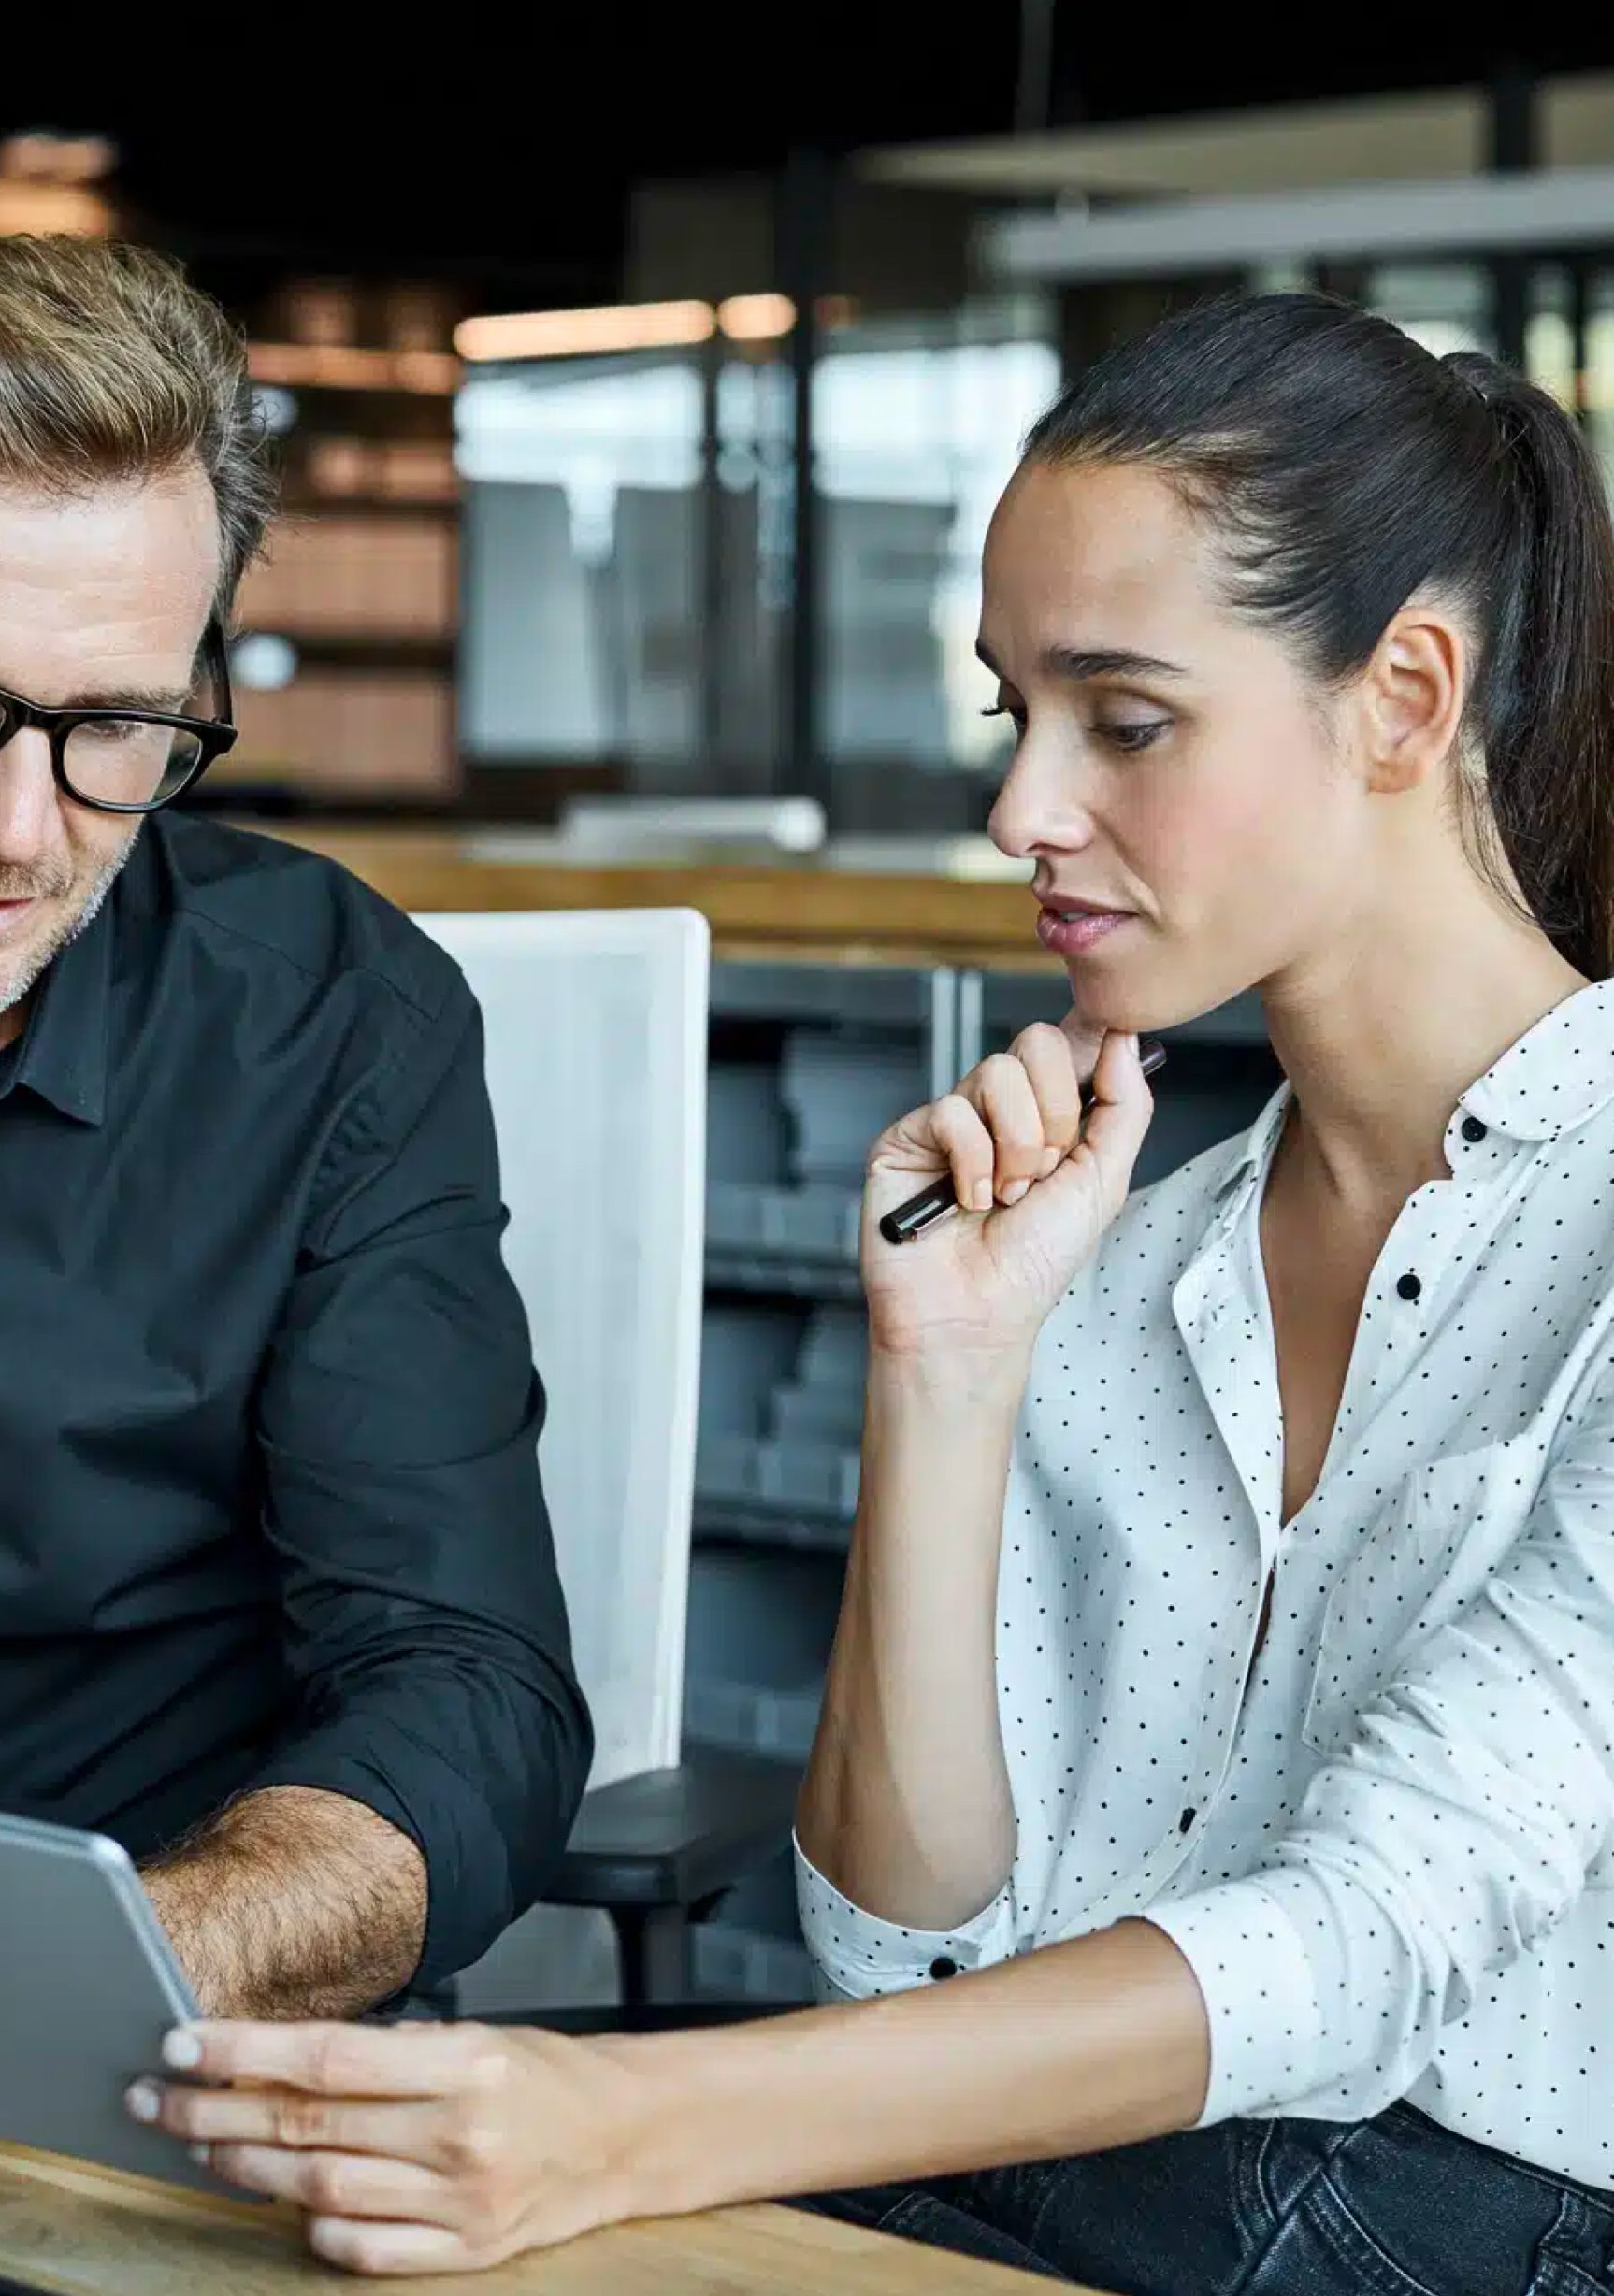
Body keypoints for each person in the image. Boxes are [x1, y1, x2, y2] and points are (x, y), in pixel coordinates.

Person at [129, 290, 1614, 2293]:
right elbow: (905, 1949)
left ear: (1404, 695)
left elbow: (1369, 1936)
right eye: (1016, 713)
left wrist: (631, 2122)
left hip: (1482, 2217)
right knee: (257, 2186)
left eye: (1127, 716)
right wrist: (949, 1371)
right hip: (1097, 2174)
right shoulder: (1139, 1252)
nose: (1019, 810)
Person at [0, 237, 588, 2129]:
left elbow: (463, 1691)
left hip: (173, 2083)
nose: (14, 827)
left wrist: (121, 1968)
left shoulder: (335, 1024)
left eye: (115, 730)